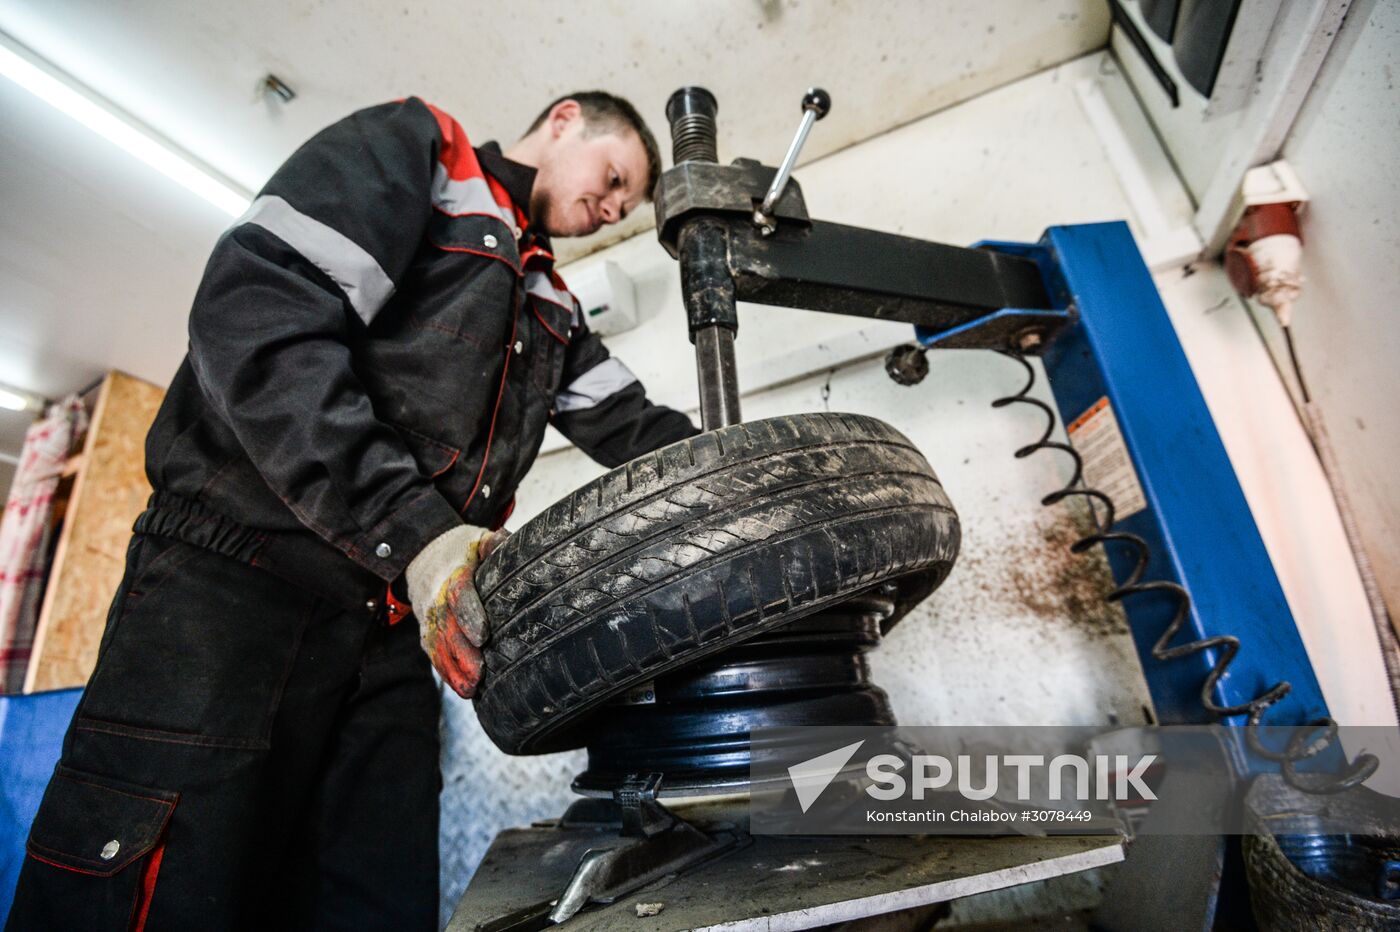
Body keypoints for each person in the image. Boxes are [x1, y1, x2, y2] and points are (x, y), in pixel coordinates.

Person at [7, 91, 697, 931]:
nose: (615, 207)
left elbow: (639, 430)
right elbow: (256, 318)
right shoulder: (424, 153)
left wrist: (768, 481)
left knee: (373, 905)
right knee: (154, 890)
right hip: (234, 587)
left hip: (391, 629)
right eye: (616, 175)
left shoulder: (551, 301)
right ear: (562, 121)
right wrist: (417, 531)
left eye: (626, 205)